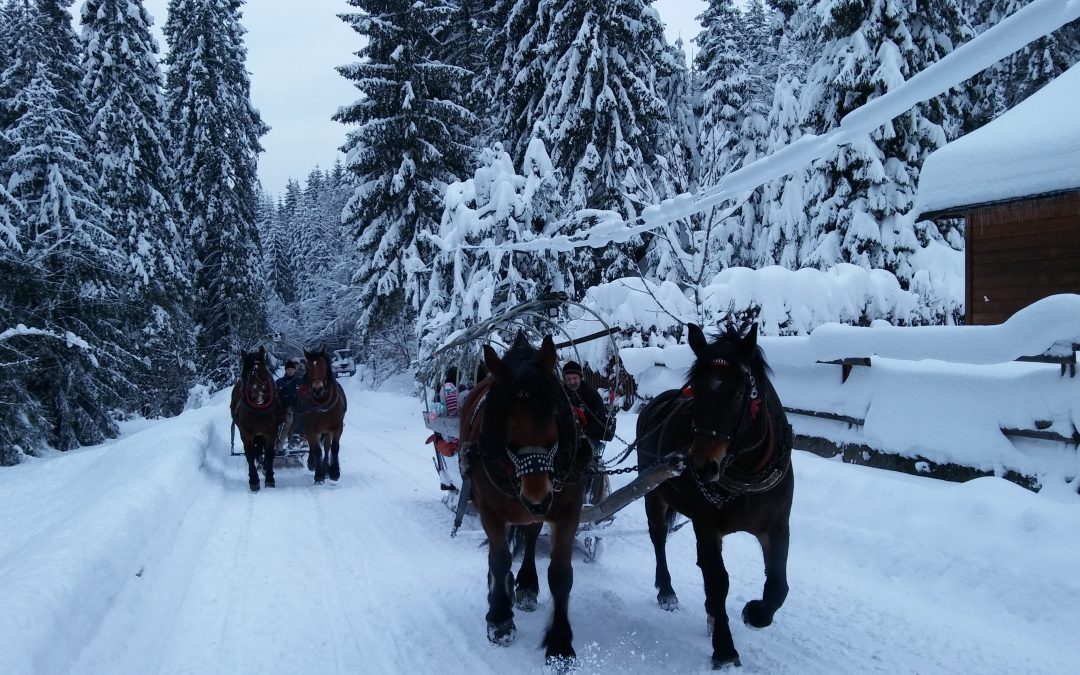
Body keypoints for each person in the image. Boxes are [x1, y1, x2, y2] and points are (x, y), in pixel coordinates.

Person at [562, 360, 614, 505]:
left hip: (588, 438)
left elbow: (599, 422)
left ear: (580, 378)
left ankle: (585, 501)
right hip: (564, 439)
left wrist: (584, 432)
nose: (572, 382)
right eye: (568, 379)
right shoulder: (560, 394)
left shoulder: (591, 396)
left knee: (585, 467)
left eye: (574, 378)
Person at [276, 357, 304, 446]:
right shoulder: (279, 382)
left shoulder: (300, 381)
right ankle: (277, 442)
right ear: (286, 370)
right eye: (288, 369)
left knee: (292, 422)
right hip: (282, 408)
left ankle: (285, 443)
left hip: (297, 408)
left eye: (292, 369)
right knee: (280, 425)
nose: (290, 371)